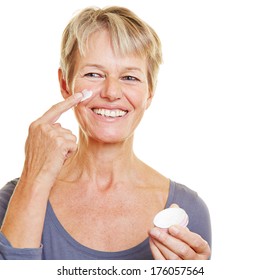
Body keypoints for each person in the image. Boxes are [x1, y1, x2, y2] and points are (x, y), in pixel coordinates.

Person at [0, 6, 211, 260]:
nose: (111, 92)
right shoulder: (16, 199)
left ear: (150, 93)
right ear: (65, 84)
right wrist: (34, 178)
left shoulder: (190, 211)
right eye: (93, 74)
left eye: (130, 78)